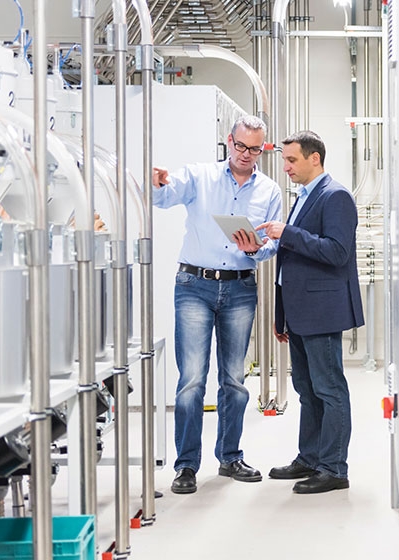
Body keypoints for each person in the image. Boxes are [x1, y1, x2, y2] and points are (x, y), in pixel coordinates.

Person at [152, 115, 283, 494]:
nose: (245, 154)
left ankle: (229, 456)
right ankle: (186, 465)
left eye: (254, 149)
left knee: (235, 380)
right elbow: (164, 197)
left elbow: (273, 243)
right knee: (192, 379)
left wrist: (256, 249)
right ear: (229, 140)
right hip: (195, 285)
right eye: (240, 146)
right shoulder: (199, 176)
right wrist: (157, 183)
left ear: (262, 150)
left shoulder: (269, 191)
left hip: (240, 288)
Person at [236, 130, 364, 494]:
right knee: (307, 389)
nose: (286, 167)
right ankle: (310, 458)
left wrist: (288, 233)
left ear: (314, 159)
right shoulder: (305, 196)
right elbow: (292, 260)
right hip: (301, 311)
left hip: (323, 311)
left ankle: (334, 468)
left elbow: (337, 252)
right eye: (285, 160)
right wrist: (282, 315)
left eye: (292, 160)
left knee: (329, 389)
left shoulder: (335, 196)